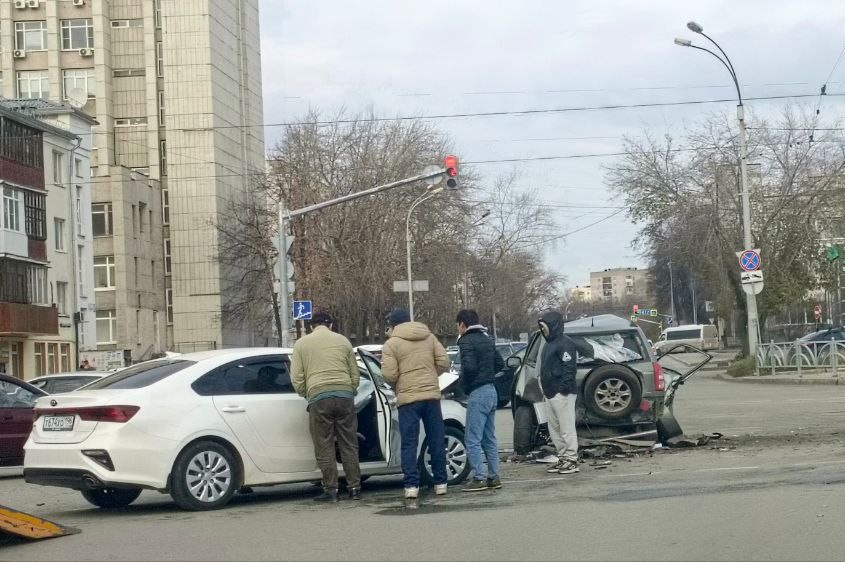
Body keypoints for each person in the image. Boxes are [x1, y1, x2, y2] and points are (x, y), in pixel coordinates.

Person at [291, 311, 362, 502]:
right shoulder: (344, 341)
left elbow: (296, 377)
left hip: (319, 398)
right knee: (349, 444)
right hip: (345, 396)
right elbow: (355, 374)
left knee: (324, 446)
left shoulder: (301, 344)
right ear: (330, 325)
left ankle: (331, 491)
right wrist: (350, 390)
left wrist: (308, 393)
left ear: (311, 327)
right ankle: (354, 488)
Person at [381, 309, 450, 500]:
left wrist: (401, 382)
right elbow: (444, 362)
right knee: (436, 439)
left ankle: (411, 486)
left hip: (408, 400)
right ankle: (441, 483)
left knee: (409, 443)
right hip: (431, 397)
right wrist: (429, 375)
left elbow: (389, 374)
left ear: (393, 325)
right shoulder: (429, 337)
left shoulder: (391, 344)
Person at [455, 309, 504, 492]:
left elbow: (469, 366)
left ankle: (478, 477)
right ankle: (494, 476)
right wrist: (487, 374)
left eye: (457, 325)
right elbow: (500, 363)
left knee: (472, 438)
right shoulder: (487, 338)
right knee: (489, 437)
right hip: (492, 391)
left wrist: (463, 384)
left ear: (462, 324)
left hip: (478, 392)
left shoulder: (466, 341)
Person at [538, 310, 580, 475]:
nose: (543, 330)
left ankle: (571, 459)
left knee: (566, 428)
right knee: (554, 428)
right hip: (550, 393)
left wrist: (562, 390)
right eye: (541, 327)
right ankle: (563, 457)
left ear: (553, 325)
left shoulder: (565, 343)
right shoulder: (549, 344)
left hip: (562, 394)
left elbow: (569, 368)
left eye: (545, 327)